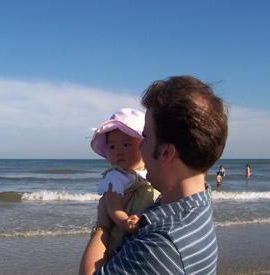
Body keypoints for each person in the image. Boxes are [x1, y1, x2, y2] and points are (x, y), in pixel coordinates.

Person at [80, 76, 228, 274]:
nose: (140, 145)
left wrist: (103, 226)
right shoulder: (196, 204)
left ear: (166, 152)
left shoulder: (162, 246)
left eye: (146, 137)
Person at [90, 108, 159, 258]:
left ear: (144, 145)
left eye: (126, 145)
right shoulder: (118, 175)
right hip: (120, 236)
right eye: (112, 146)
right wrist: (124, 221)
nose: (118, 151)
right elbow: (111, 203)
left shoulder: (149, 173)